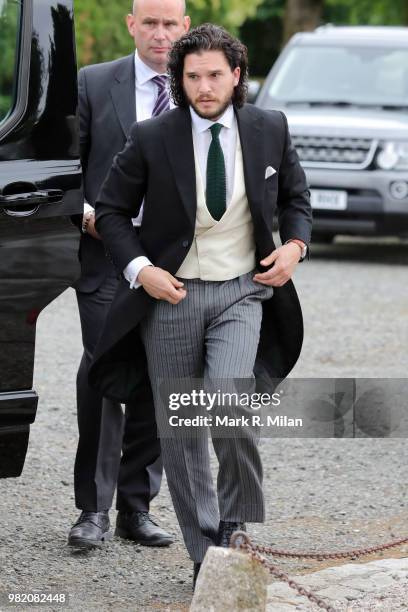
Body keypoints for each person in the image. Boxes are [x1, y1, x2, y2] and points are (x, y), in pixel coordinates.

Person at [90, 24, 312, 583]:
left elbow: (295, 198)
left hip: (243, 291)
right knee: (182, 433)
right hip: (171, 299)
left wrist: (294, 247)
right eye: (193, 77)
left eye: (215, 75)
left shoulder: (269, 128)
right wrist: (143, 272)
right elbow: (112, 213)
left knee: (228, 404)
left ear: (237, 75)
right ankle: (207, 555)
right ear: (180, 79)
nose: (204, 86)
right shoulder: (150, 137)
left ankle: (237, 527)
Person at [69, 0, 190, 549]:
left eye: (170, 24)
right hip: (105, 256)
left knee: (161, 375)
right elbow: (69, 163)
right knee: (102, 369)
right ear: (131, 26)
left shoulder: (203, 83)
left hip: (174, 263)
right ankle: (92, 509)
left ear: (184, 28)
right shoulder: (94, 83)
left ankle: (135, 508)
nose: (160, 34)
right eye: (150, 23)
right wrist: (88, 212)